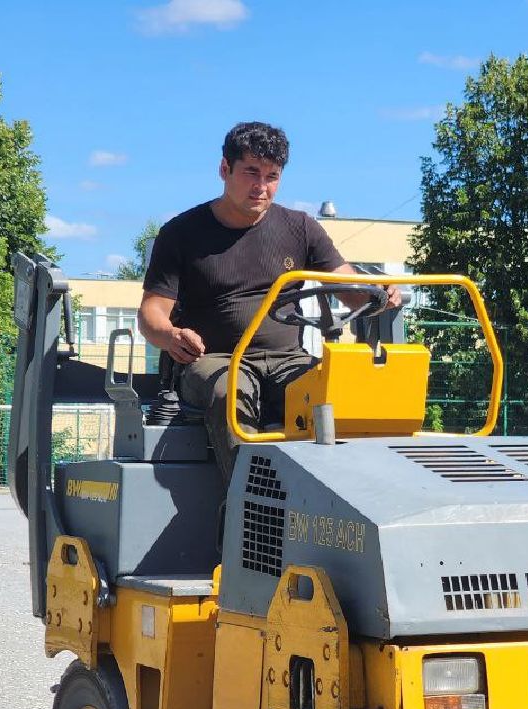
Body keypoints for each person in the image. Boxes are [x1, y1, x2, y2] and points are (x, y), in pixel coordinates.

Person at [137, 121, 400, 482]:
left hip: (287, 359)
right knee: (231, 392)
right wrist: (169, 335)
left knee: (331, 390)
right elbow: (151, 312)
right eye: (251, 173)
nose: (262, 187)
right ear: (224, 170)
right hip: (216, 361)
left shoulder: (300, 228)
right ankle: (246, 510)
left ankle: (340, 500)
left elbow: (348, 285)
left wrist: (378, 293)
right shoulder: (181, 233)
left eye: (272, 176)